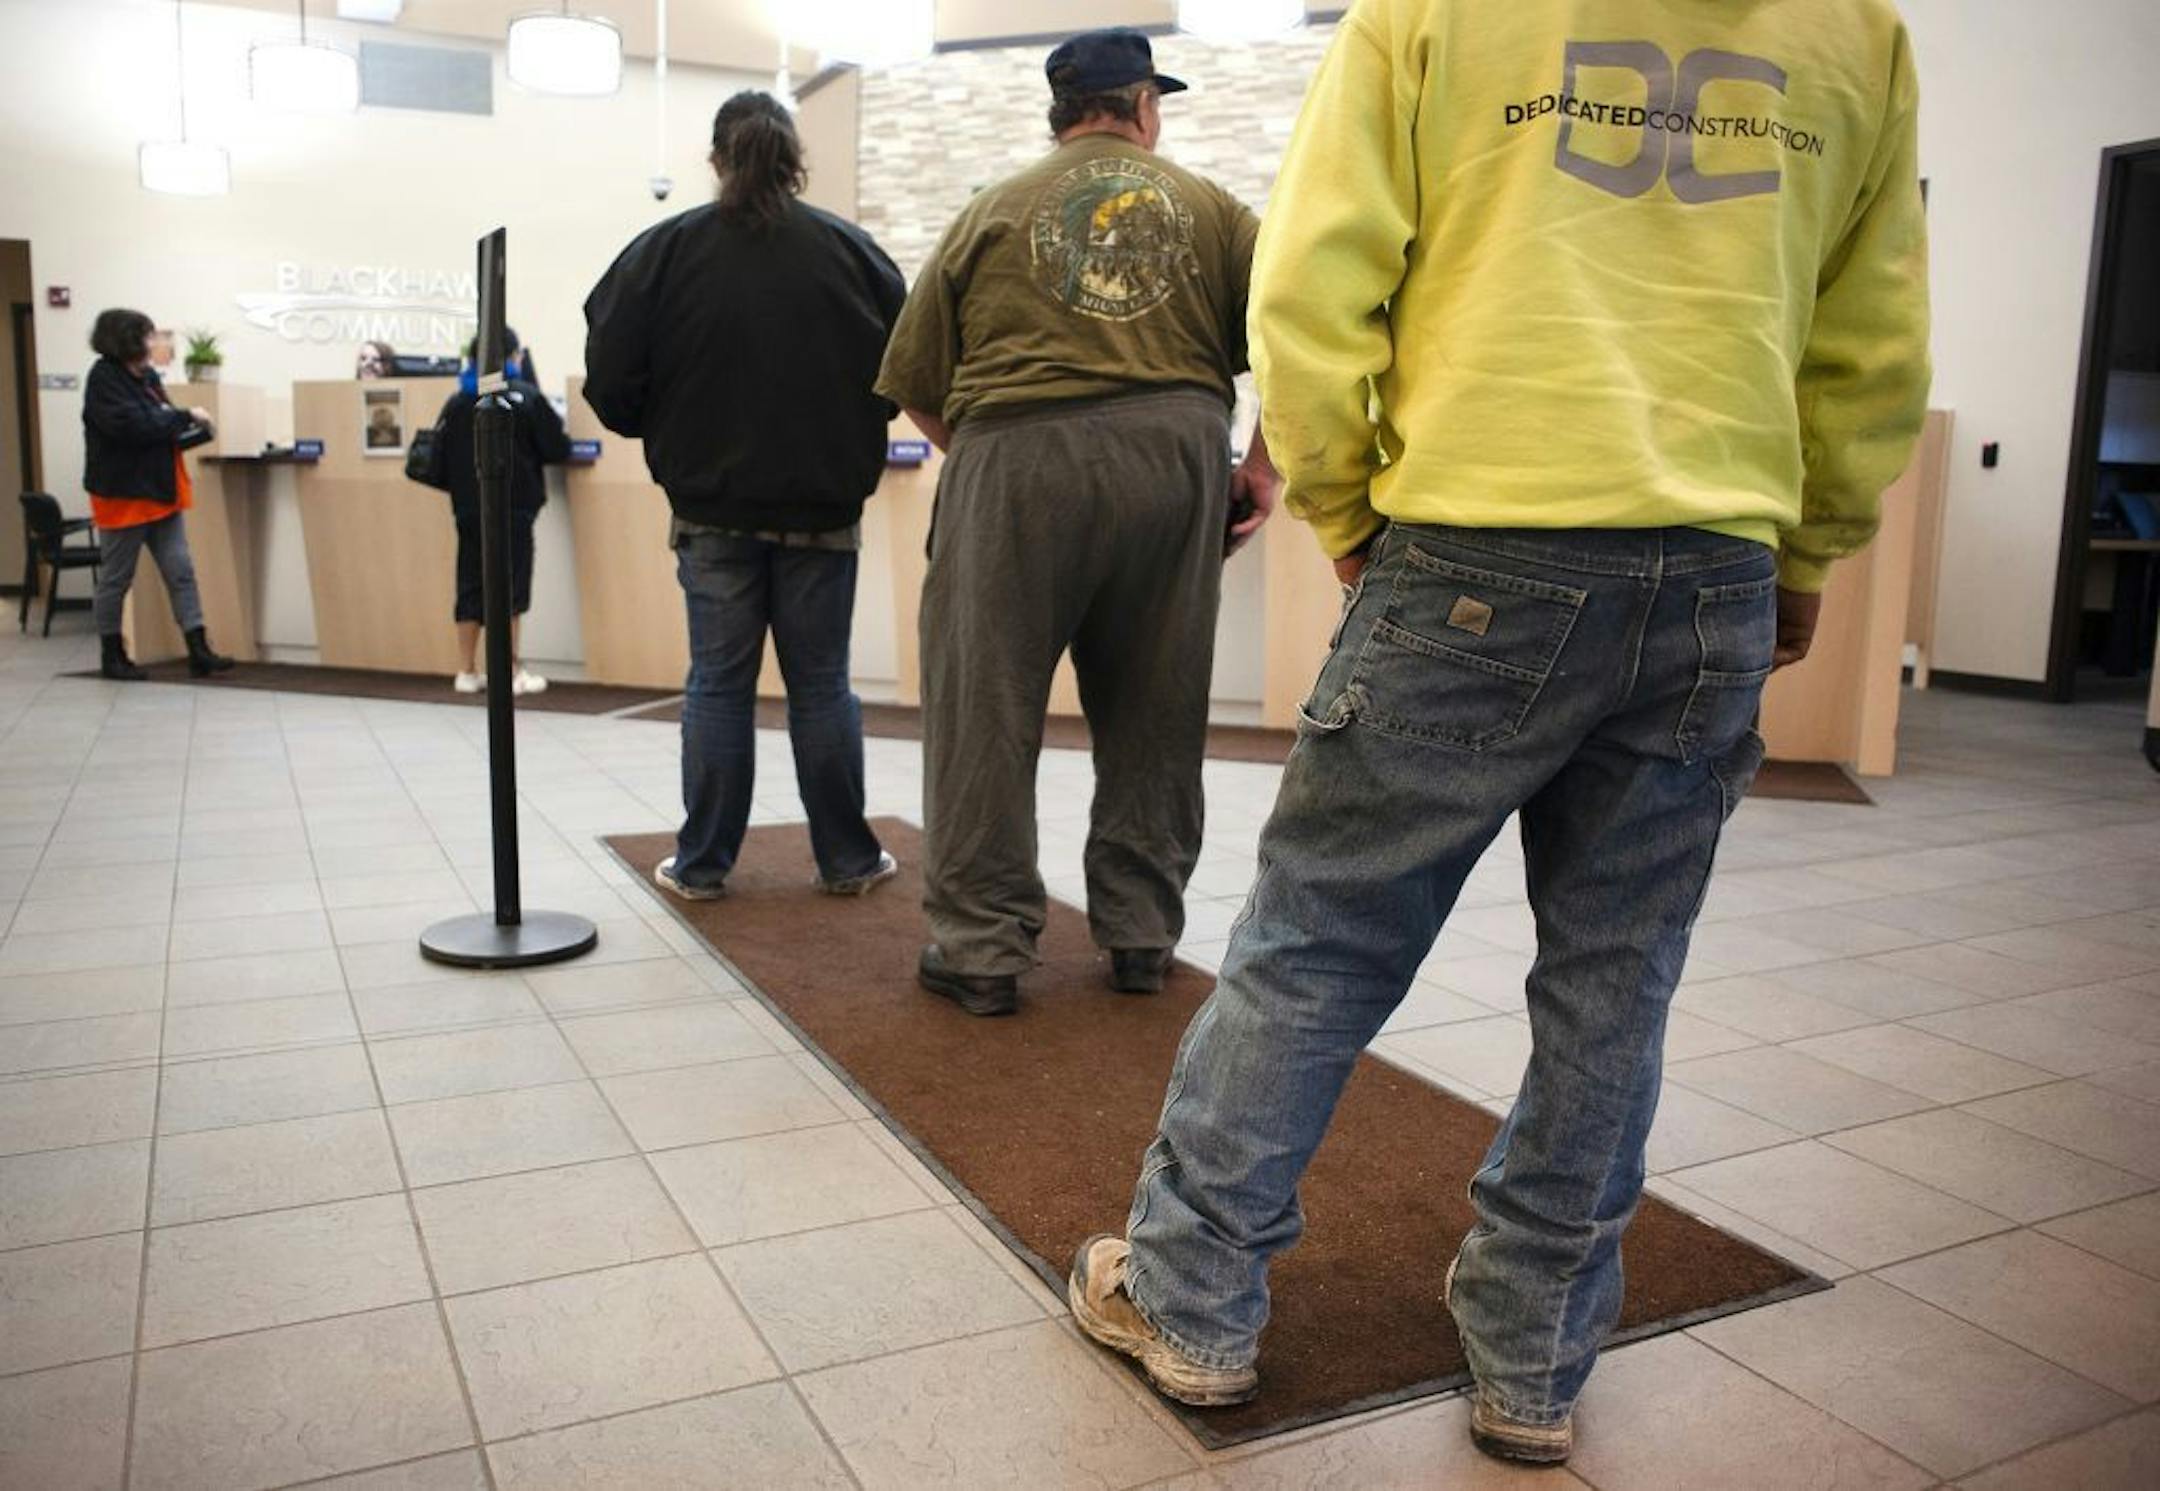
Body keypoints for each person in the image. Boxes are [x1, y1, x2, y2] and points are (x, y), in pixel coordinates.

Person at [1068, 0, 1931, 1465]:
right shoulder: (1859, 32)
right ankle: (1533, 1358)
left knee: (1319, 945)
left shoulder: (1432, 11)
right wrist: (1808, 546)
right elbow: (1870, 339)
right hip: (1714, 558)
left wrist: (1341, 500)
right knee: (1616, 978)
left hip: (1477, 538)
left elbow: (1313, 281)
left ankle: (1192, 1299)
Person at [876, 28, 1281, 1018]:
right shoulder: (1214, 208)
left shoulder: (992, 208)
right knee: (1157, 704)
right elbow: (1303, 336)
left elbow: (915, 380)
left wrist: (989, 456)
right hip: (1175, 454)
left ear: (1059, 112)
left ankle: (982, 950)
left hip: (1014, 456)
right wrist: (1260, 467)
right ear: (1144, 106)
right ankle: (1140, 933)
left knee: (985, 708)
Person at [584, 91, 904, 901]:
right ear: (795, 160)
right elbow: (905, 368)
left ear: (716, 159)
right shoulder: (851, 252)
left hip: (710, 509)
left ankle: (702, 865)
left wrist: (664, 427)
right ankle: (847, 860)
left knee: (718, 686)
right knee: (822, 686)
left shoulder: (663, 252)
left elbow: (611, 376)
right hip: (824, 511)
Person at [81, 307, 237, 681]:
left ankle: (198, 650)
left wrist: (195, 429)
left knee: (181, 571)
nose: (155, 342)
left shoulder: (148, 377)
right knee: (117, 578)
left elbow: (160, 426)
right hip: (123, 495)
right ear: (127, 340)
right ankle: (112, 655)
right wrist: (185, 415)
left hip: (161, 491)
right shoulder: (104, 378)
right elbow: (133, 426)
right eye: (148, 335)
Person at [428, 328, 569, 696]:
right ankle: (510, 670)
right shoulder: (524, 397)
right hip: (515, 506)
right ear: (511, 357)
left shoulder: (460, 399)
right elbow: (557, 447)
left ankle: (466, 671)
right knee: (510, 587)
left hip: (467, 508)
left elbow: (438, 459)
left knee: (470, 582)